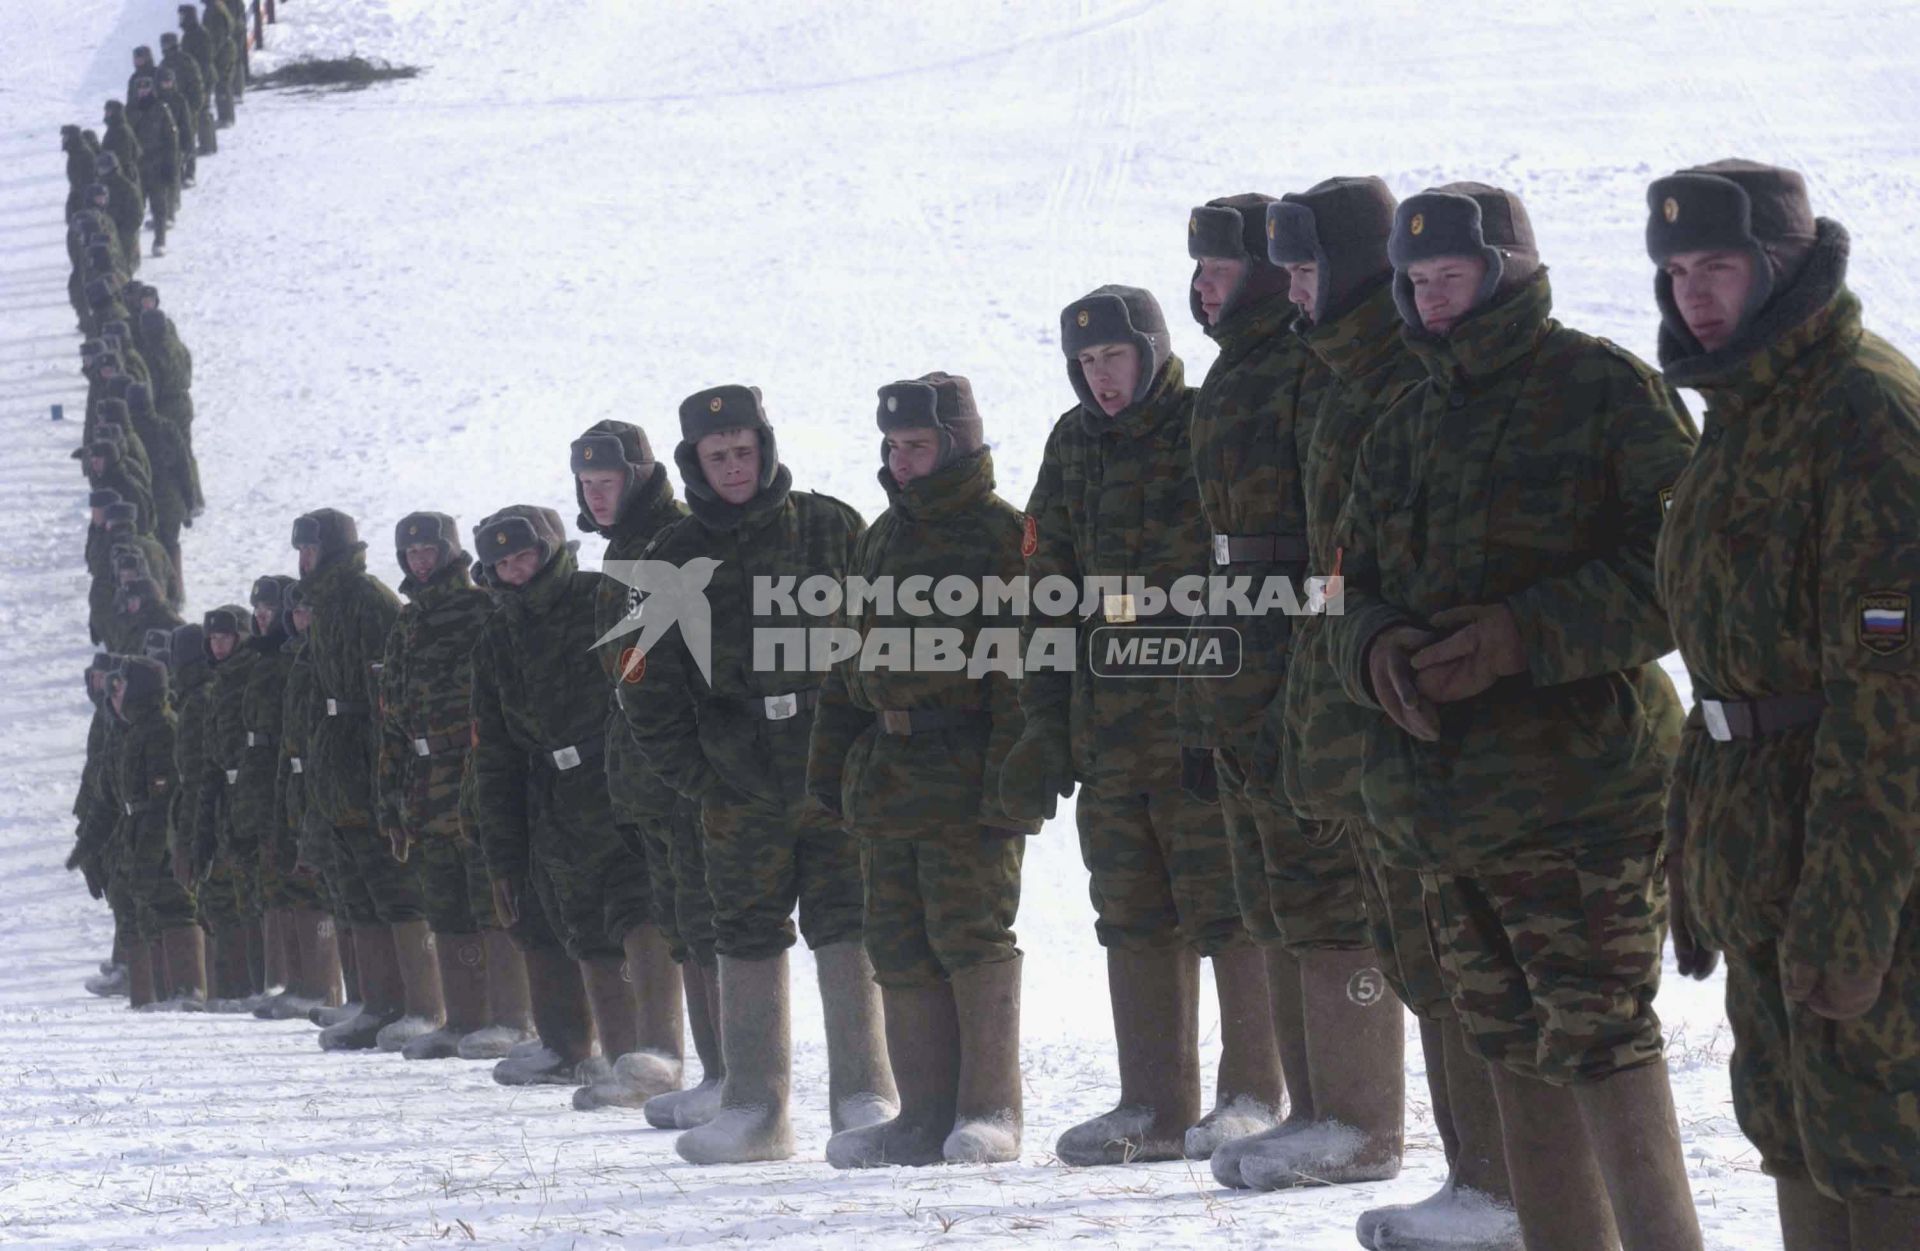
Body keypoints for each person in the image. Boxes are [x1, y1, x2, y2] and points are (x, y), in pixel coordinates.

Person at [1323, 182, 1702, 1251]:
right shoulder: (1399, 425)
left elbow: (1680, 572)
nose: (1434, 301)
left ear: (1511, 272)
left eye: (1454, 277)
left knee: (1599, 1037)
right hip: (1447, 805)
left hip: (1585, 797)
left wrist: (1522, 635)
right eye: (1417, 281)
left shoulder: (1603, 390)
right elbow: (1338, 589)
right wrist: (1377, 648)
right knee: (1506, 1039)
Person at [1650, 160, 1920, 1250]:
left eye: (1716, 265)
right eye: (1674, 272)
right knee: (1793, 1128)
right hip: (1764, 849)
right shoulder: (1744, 408)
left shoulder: (1865, 414)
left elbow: (1893, 697)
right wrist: (1698, 849)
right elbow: (1726, 675)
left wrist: (1852, 906)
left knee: (1888, 1134)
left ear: (1784, 264)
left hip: (1867, 858)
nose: (1691, 294)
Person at [1259, 177, 1522, 1245]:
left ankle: (1504, 1186)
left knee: (1468, 956)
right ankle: (1476, 1179)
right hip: (1368, 698)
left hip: (1440, 717)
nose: (1295, 292)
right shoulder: (1339, 376)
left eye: (1310, 269)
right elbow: (1335, 575)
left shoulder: (1398, 378)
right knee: (1419, 953)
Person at [1000, 285, 1246, 1166]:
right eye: (1086, 363)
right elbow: (1045, 586)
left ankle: (1252, 1094)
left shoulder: (1206, 420)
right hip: (1108, 726)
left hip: (1200, 713)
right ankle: (1155, 1103)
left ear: (1151, 349)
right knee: (1131, 911)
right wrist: (1043, 721)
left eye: (1114, 357)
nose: (1102, 378)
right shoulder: (1071, 444)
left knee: (1228, 903)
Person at [628, 385, 895, 1165]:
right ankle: (755, 1109)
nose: (734, 467)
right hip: (736, 781)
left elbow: (881, 635)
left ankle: (865, 1093)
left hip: (831, 767)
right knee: (743, 930)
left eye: (744, 451)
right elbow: (644, 684)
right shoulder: (672, 557)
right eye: (718, 457)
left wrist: (867, 749)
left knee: (847, 920)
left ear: (766, 447)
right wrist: (699, 777)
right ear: (695, 462)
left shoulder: (831, 524)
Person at [1183, 191, 1384, 1172]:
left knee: (1325, 879)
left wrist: (1311, 639)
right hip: (1241, 640)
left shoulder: (1309, 366)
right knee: (1270, 883)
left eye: (1216, 269)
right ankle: (1312, 1111)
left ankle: (1357, 1121)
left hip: (1300, 637)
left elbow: (1332, 525)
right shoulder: (1237, 372)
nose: (1199, 289)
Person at [806, 373, 1034, 1168]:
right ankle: (921, 1116)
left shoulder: (1002, 534)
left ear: (959, 443)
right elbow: (843, 660)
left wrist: (1015, 781)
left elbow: (1022, 670)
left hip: (967, 769)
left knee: (970, 935)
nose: (901, 462)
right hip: (886, 771)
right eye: (893, 446)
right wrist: (827, 766)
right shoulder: (879, 535)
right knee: (898, 943)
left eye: (918, 445)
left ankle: (989, 1111)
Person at [571, 423, 706, 1113]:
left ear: (639, 477)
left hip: (680, 768)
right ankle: (666, 1059)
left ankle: (692, 1066)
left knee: (693, 913)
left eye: (608, 482)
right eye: (587, 485)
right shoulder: (622, 550)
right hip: (639, 773)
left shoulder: (669, 543)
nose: (597, 496)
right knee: (663, 910)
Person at [294, 509, 437, 1052]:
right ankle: (377, 1004)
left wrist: (388, 774)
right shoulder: (327, 604)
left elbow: (386, 697)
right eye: (299, 551)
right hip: (338, 760)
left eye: (310, 549)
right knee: (356, 890)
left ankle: (422, 1005)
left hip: (367, 754)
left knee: (395, 886)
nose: (303, 560)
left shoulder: (366, 599)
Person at [373, 513, 506, 1061]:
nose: (420, 561)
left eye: (429, 550)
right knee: (443, 900)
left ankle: (512, 1017)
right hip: (425, 779)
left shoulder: (481, 610)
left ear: (450, 552)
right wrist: (389, 794)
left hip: (473, 768)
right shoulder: (407, 623)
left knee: (489, 896)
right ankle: (463, 1018)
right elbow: (391, 719)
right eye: (411, 553)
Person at [108, 654, 207, 1011]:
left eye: (124, 686)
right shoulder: (139, 728)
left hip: (160, 830)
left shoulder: (162, 728)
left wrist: (153, 849)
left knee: (172, 902)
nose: (116, 694)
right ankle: (156, 994)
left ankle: (187, 991)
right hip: (140, 828)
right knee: (145, 904)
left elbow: (164, 798)